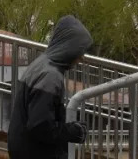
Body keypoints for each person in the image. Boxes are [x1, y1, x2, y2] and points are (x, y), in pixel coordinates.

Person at [8, 15, 92, 159]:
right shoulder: (50, 76)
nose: (81, 57)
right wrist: (71, 132)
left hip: (24, 148)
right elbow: (40, 126)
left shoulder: (41, 64)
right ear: (69, 48)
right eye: (80, 51)